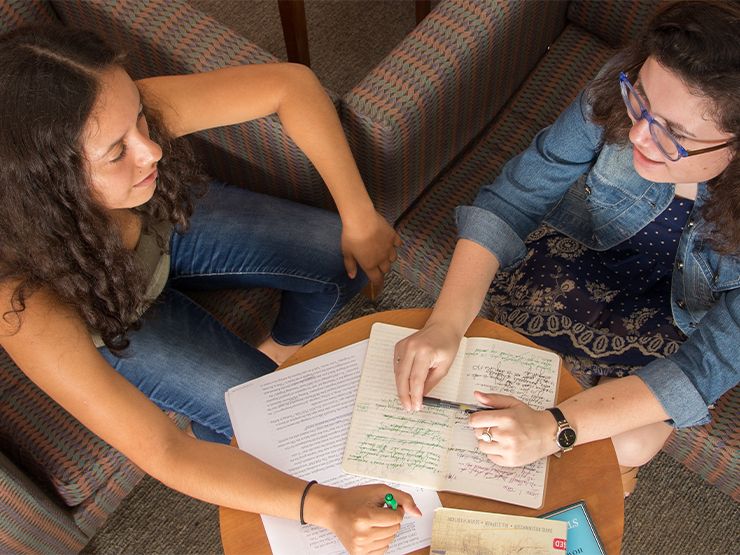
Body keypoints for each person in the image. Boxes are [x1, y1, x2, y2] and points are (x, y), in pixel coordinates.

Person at [0, 24, 419, 554]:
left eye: (142, 120)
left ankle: (283, 347)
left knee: (341, 255)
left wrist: (359, 215)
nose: (152, 150)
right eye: (117, 152)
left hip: (164, 229)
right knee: (263, 413)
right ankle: (231, 411)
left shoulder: (115, 119)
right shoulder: (20, 300)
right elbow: (165, 452)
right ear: (47, 189)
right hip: (108, 314)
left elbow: (292, 84)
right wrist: (327, 506)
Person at [393, 0, 740, 495]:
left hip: (678, 313)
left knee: (626, 446)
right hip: (576, 255)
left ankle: (604, 489)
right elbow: (516, 195)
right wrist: (445, 322)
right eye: (641, 100)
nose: (639, 133)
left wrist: (557, 428)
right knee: (467, 386)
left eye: (675, 135)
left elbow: (709, 366)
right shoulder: (618, 90)